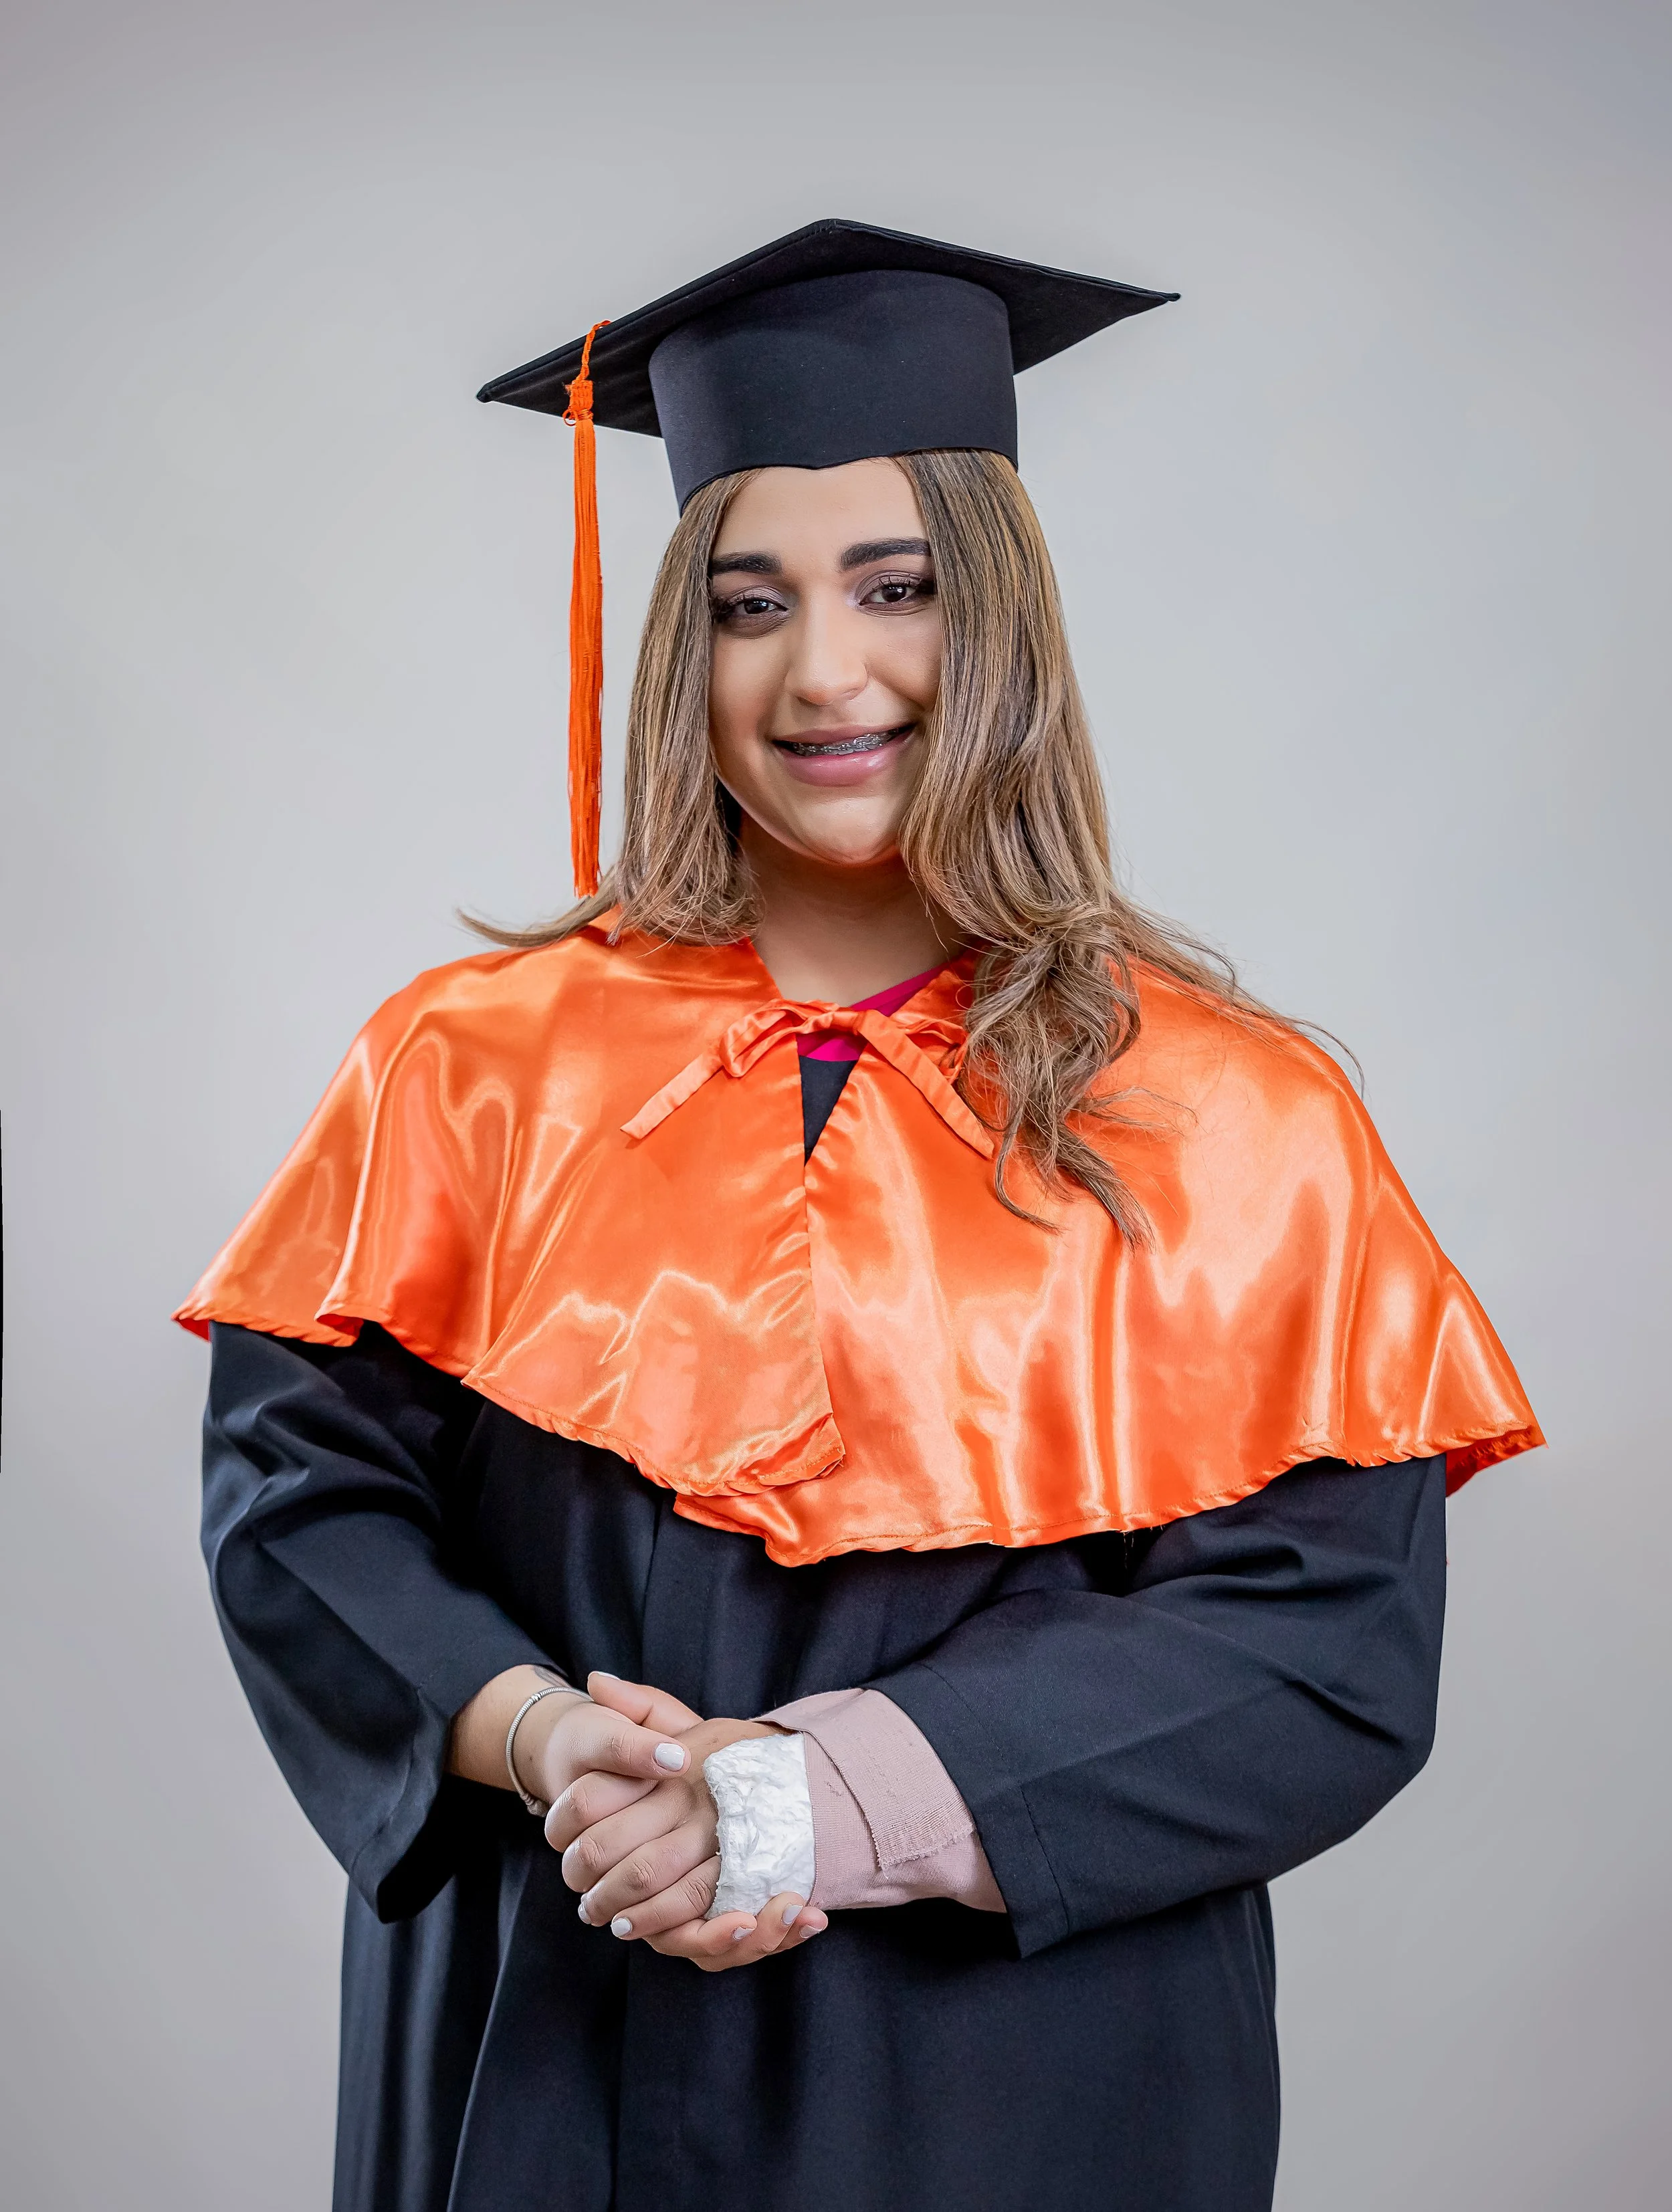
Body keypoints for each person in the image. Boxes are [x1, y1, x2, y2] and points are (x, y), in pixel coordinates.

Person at [178, 220, 1542, 2212]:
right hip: (552, 2024)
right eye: (748, 603)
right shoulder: (473, 1061)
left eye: (893, 588)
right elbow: (298, 1507)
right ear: (680, 652)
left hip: (1018, 2081)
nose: (825, 671)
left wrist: (809, 1800)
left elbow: (1323, 1644)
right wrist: (548, 1737)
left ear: (996, 624)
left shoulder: (1232, 1111)